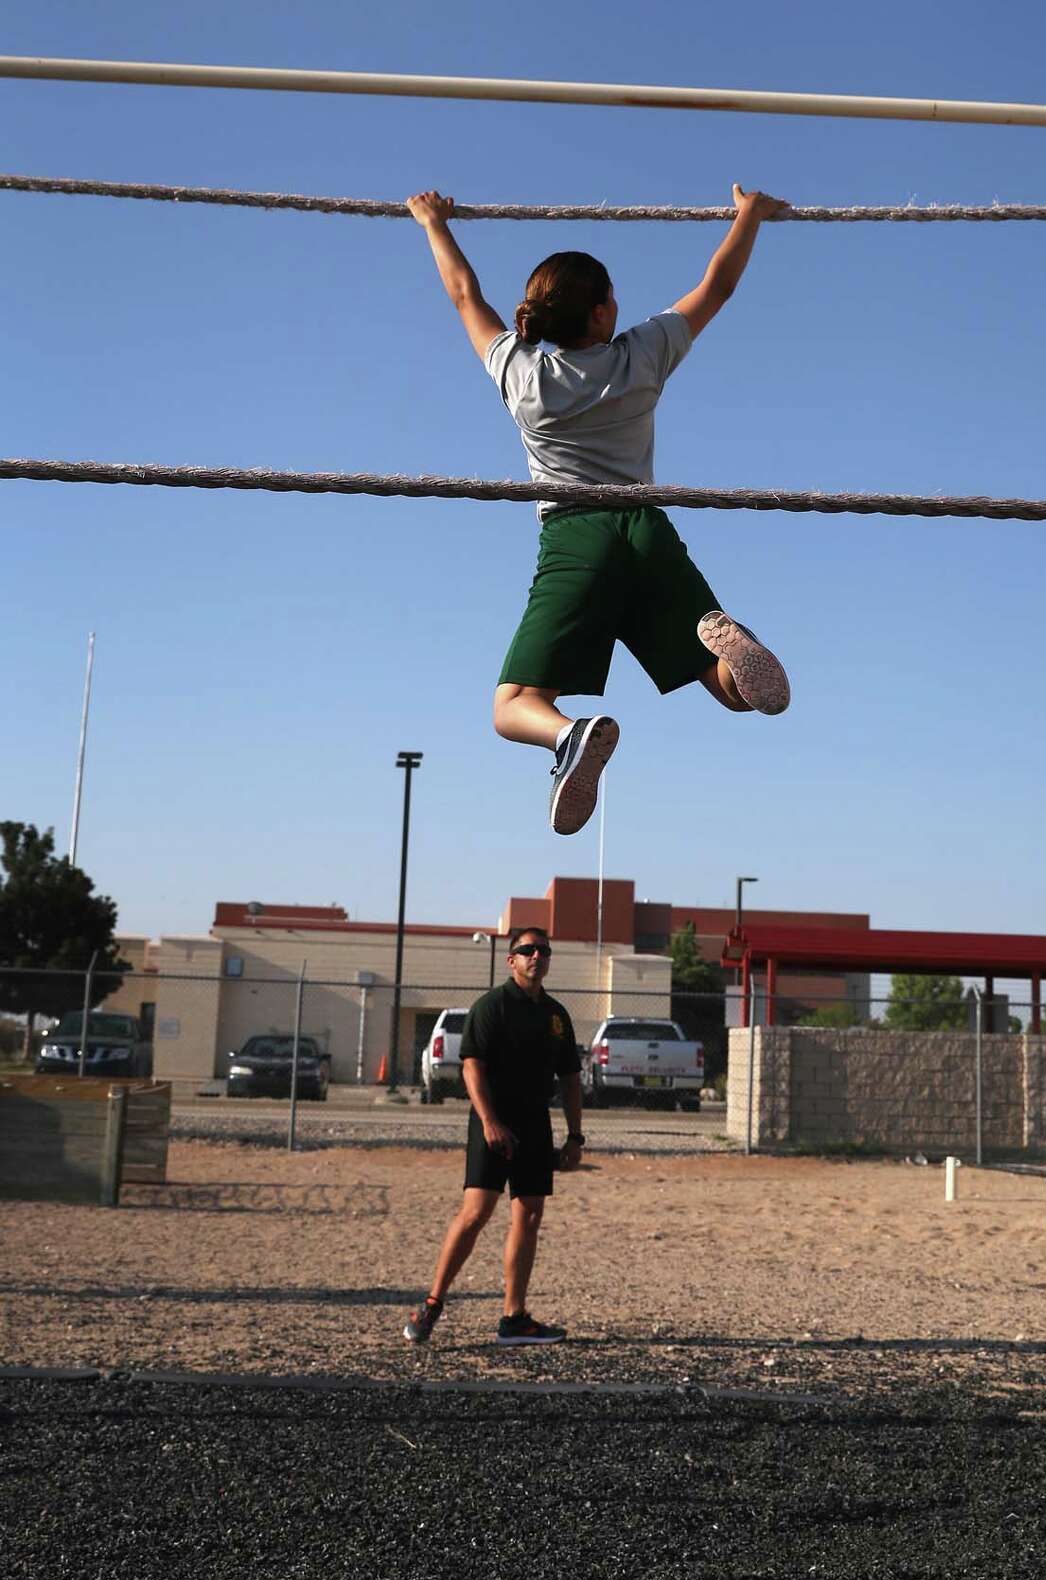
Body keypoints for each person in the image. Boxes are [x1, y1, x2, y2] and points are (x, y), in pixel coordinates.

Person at [407, 183, 792, 835]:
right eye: (611, 295)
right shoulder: (641, 357)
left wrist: (432, 223)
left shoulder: (522, 377)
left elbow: (465, 296)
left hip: (574, 539)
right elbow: (716, 288)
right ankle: (738, 652)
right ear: (599, 316)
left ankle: (569, 736)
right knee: (722, 685)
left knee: (513, 706)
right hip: (646, 532)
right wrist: (749, 216)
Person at [404, 925, 584, 1346]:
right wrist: (489, 1121)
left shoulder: (556, 1014)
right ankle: (431, 1304)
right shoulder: (492, 1006)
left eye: (543, 950)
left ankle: (514, 1318)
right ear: (512, 959)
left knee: (530, 1215)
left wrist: (575, 1137)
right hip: (494, 1119)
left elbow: (571, 1079)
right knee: (475, 1214)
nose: (536, 956)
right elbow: (472, 1068)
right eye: (527, 950)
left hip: (535, 1122)